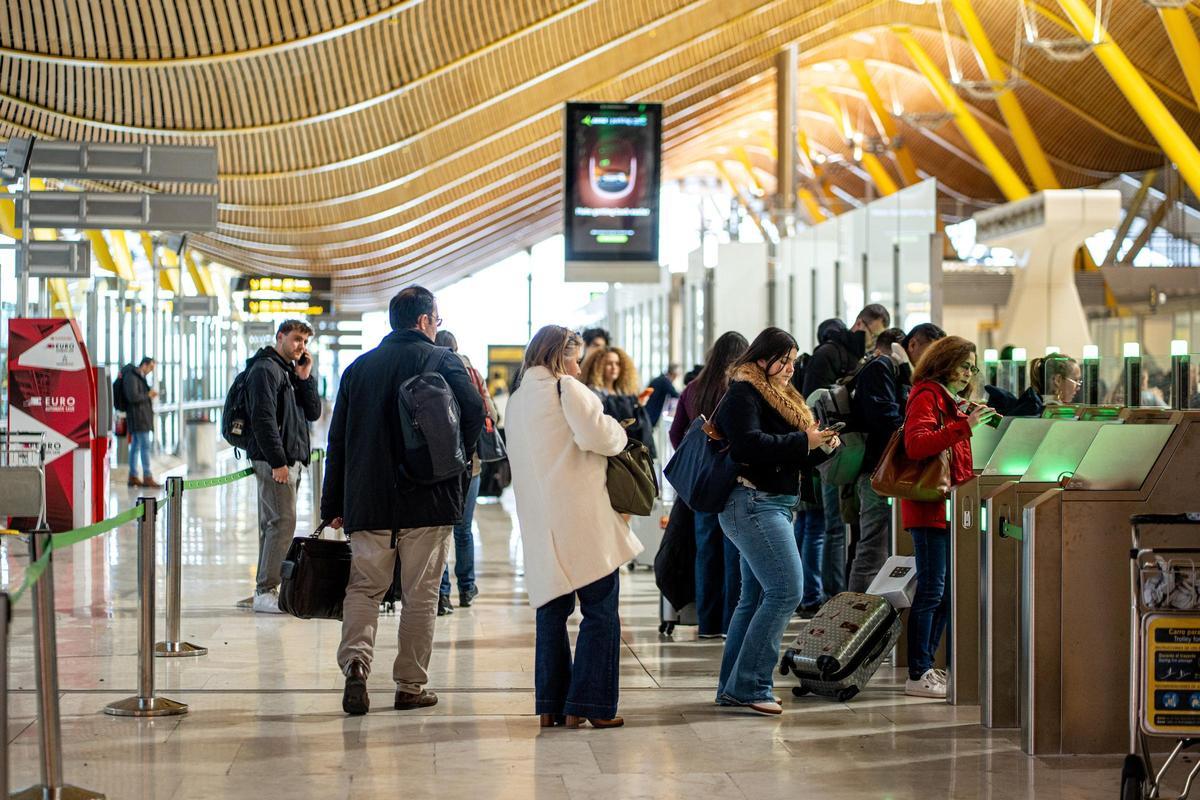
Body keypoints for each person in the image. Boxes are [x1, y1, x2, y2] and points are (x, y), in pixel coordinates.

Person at [324, 287, 485, 716]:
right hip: (428, 501)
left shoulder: (358, 369)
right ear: (425, 320)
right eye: (438, 319)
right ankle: (410, 685)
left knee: (363, 588)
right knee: (421, 594)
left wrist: (332, 503)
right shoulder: (444, 361)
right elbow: (474, 416)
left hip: (369, 499)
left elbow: (337, 439)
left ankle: (356, 666)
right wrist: (449, 462)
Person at [505, 326, 640, 729]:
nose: (579, 368)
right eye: (575, 358)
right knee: (600, 611)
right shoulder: (566, 389)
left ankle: (551, 705)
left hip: (540, 522)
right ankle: (591, 706)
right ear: (558, 357)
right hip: (582, 517)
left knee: (551, 612)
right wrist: (618, 428)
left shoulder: (516, 400)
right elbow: (600, 436)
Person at [715, 328, 840, 715]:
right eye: (783, 361)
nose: (789, 369)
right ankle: (751, 686)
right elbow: (748, 445)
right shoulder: (743, 392)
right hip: (753, 502)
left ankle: (733, 687)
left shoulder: (782, 397)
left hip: (772, 502)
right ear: (760, 360)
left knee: (753, 599)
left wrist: (821, 446)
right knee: (787, 590)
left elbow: (787, 455)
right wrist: (804, 442)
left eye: (793, 362)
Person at [901, 335, 997, 699]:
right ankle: (918, 672)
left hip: (946, 508)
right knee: (932, 590)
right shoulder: (926, 395)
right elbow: (917, 444)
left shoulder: (948, 401)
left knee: (943, 593)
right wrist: (963, 426)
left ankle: (927, 666)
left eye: (973, 368)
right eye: (963, 365)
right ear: (944, 362)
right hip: (928, 507)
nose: (968, 374)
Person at [669, 332, 749, 638]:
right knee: (734, 551)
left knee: (706, 551)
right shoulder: (738, 389)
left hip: (700, 483)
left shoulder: (693, 389)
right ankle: (731, 623)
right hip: (731, 479)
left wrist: (695, 455)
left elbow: (676, 433)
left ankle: (707, 622)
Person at [239, 320, 322, 614]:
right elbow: (262, 418)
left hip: (292, 458)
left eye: (305, 342)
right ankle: (265, 591)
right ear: (281, 337)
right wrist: (278, 461)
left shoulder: (289, 372)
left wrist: (305, 377)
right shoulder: (265, 369)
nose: (301, 346)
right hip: (276, 460)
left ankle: (264, 587)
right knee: (283, 522)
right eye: (297, 339)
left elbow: (313, 412)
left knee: (273, 524)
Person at [434, 330, 494, 615]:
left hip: (440, 462)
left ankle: (442, 594)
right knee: (463, 529)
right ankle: (467, 588)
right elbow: (491, 412)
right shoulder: (471, 372)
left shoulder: (431, 368)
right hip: (472, 463)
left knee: (441, 530)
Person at [846, 328, 909, 593]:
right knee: (871, 551)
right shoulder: (880, 368)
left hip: (882, 473)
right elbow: (889, 420)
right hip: (877, 473)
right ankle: (854, 622)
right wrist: (906, 372)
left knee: (875, 550)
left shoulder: (876, 369)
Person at [580, 346, 655, 457]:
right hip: (609, 452)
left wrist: (639, 405)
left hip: (631, 451)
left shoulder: (624, 392)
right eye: (609, 364)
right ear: (599, 367)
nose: (614, 367)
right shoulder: (593, 393)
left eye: (617, 363)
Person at [120, 357, 160, 488]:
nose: (151, 371)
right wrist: (148, 395)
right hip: (138, 419)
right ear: (144, 364)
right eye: (151, 368)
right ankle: (147, 476)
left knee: (136, 447)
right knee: (144, 447)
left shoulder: (138, 377)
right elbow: (132, 397)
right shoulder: (132, 377)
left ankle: (133, 475)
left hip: (140, 418)